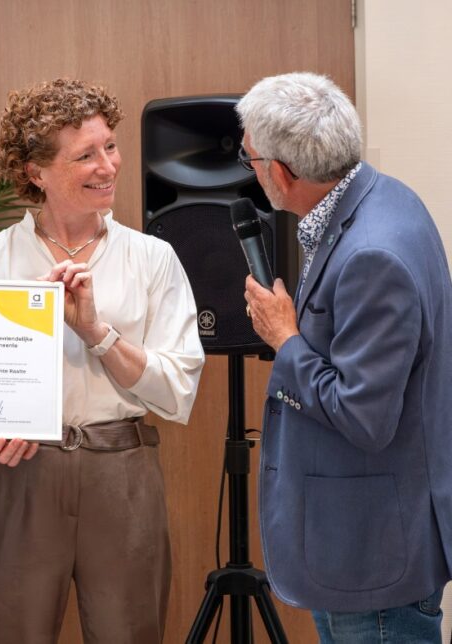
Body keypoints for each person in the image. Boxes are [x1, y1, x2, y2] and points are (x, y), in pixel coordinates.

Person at [0, 78, 205, 643]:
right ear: (36, 172)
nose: (108, 165)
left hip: (122, 471)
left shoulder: (153, 258)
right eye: (85, 155)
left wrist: (96, 333)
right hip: (21, 474)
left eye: (110, 146)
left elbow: (177, 389)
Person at [238, 72, 452, 643]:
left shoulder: (371, 254)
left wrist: (285, 339)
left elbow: (364, 417)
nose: (250, 170)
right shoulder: (383, 195)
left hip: (372, 554)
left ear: (282, 172)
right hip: (358, 535)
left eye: (250, 159)